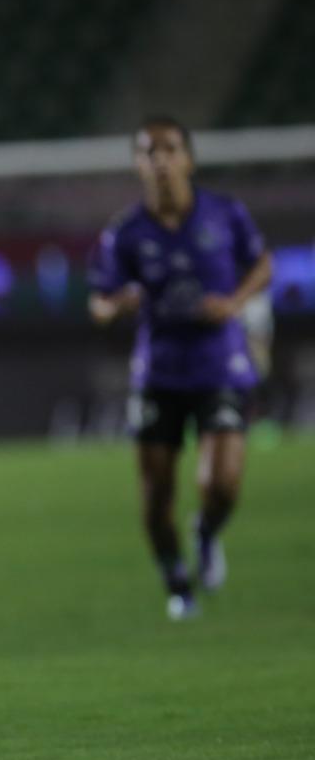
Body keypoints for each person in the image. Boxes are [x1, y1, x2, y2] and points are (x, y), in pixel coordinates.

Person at [88, 117, 272, 621]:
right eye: (149, 151)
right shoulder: (125, 232)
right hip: (160, 372)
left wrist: (234, 302)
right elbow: (98, 302)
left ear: (188, 159)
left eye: (169, 149)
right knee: (156, 496)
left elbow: (263, 265)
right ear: (138, 164)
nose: (160, 160)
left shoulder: (225, 214)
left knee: (222, 484)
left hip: (221, 364)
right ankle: (176, 583)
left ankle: (206, 533)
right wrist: (118, 304)